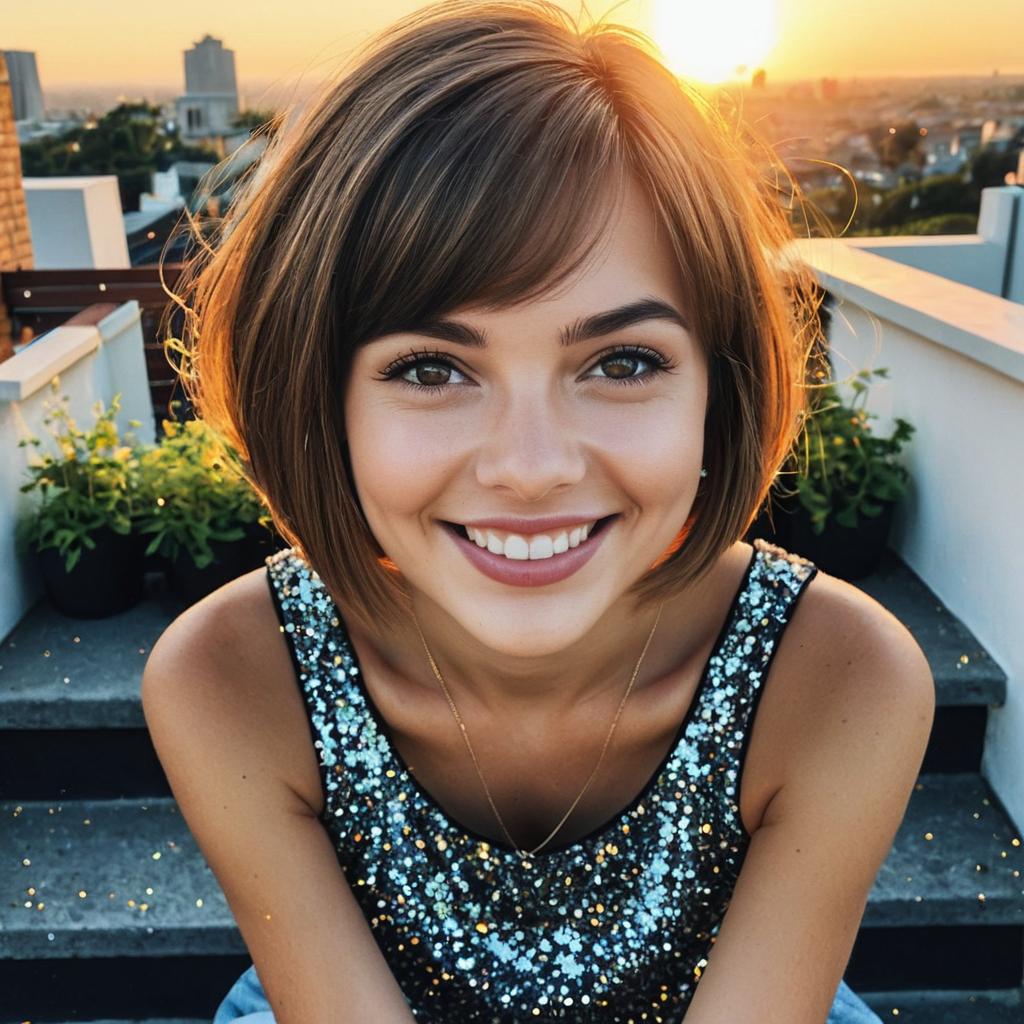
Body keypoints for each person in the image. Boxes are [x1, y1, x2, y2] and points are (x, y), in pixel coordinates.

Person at [141, 2, 935, 1021]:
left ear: (719, 385)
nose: (530, 468)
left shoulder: (835, 681)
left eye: (622, 362)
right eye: (431, 369)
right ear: (319, 397)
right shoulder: (232, 678)